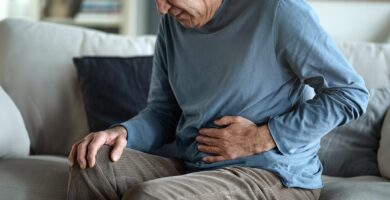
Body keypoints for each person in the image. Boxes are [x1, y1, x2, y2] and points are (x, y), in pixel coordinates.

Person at [67, 0, 369, 199]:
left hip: (273, 176)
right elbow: (163, 112)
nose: (161, 8)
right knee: (92, 162)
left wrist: (264, 137)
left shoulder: (277, 10)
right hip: (195, 170)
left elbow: (351, 93)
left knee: (152, 197)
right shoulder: (172, 25)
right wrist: (121, 133)